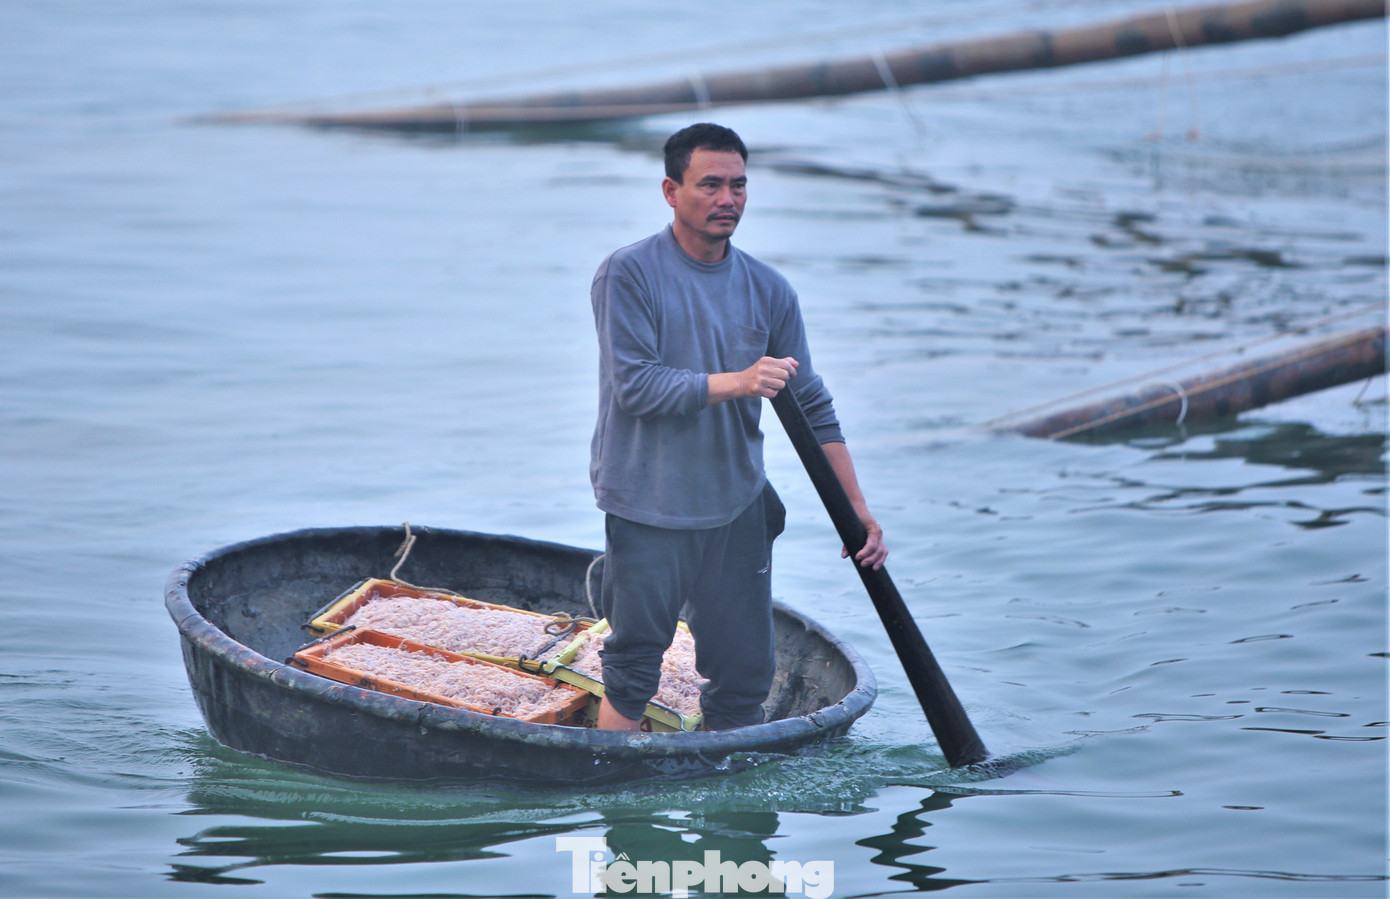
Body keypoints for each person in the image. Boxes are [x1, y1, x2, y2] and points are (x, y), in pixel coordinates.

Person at [589, 122, 887, 732]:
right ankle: (606, 807)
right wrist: (741, 381)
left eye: (739, 186)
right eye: (710, 185)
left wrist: (856, 507)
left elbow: (811, 403)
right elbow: (637, 387)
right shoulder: (628, 274)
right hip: (649, 505)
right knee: (633, 670)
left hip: (735, 508)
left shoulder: (769, 289)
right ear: (671, 191)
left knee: (747, 676)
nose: (727, 200)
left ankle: (731, 816)